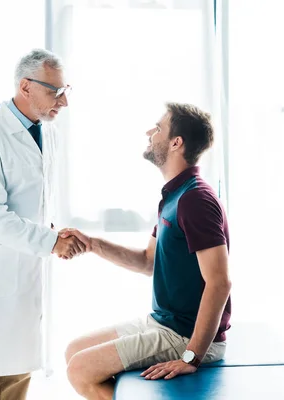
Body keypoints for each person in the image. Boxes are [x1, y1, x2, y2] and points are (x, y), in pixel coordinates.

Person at [62, 102, 232, 400]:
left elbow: (220, 282)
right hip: (162, 321)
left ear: (176, 142)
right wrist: (92, 243)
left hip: (183, 335)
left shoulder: (196, 200)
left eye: (158, 128)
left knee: (80, 370)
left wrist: (191, 356)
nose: (149, 133)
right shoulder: (174, 195)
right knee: (74, 351)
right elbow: (147, 261)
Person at [0, 48, 85, 400]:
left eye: (65, 91)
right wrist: (49, 241)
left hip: (24, 277)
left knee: (15, 381)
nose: (64, 102)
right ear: (25, 86)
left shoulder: (46, 132)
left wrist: (54, 234)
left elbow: (36, 202)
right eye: (55, 92)